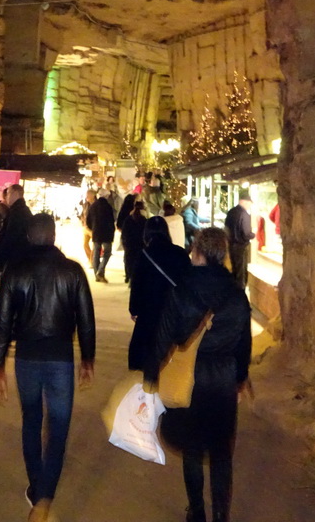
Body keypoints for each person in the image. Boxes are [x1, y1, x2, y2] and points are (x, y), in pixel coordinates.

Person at [0, 213, 96, 522]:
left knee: (32, 421)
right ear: (53, 237)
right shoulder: (73, 271)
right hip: (61, 360)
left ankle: (38, 490)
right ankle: (44, 498)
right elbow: (86, 322)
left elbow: (3, 324)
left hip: (26, 360)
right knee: (59, 427)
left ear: (28, 238)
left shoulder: (14, 272)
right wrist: (87, 360)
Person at [145, 228, 252, 522]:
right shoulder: (236, 294)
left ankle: (197, 511)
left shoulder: (182, 290)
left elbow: (164, 336)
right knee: (221, 451)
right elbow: (244, 343)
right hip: (222, 379)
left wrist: (151, 377)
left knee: (192, 449)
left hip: (188, 378)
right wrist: (240, 378)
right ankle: (221, 515)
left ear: (199, 252)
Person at [128, 215, 189, 371]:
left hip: (149, 312)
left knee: (142, 355)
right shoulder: (180, 254)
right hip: (174, 313)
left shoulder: (144, 255)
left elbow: (137, 284)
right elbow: (189, 284)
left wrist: (134, 309)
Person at [0, 183, 32, 273]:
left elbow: (10, 237)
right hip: (20, 259)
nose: (6, 197)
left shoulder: (16, 213)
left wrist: (0, 259)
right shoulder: (22, 210)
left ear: (15, 193)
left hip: (13, 260)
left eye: (8, 193)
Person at [224, 191, 254, 288]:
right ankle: (240, 293)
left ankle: (233, 290)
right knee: (241, 272)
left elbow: (226, 229)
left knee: (235, 269)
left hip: (232, 245)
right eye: (249, 203)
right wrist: (253, 235)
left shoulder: (231, 212)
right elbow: (246, 233)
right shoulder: (244, 215)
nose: (250, 205)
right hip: (241, 246)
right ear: (244, 201)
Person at [86, 187, 116, 283]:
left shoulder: (93, 206)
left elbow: (88, 221)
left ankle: (97, 274)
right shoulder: (108, 206)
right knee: (107, 252)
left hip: (96, 233)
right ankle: (100, 271)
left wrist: (93, 228)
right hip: (107, 233)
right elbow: (112, 220)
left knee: (96, 253)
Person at [118, 199, 147, 284]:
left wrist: (124, 242)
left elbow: (124, 232)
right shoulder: (143, 219)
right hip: (140, 244)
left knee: (128, 260)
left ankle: (128, 276)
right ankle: (136, 276)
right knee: (138, 261)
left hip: (129, 243)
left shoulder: (128, 219)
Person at [80, 188, 97, 263]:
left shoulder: (97, 205)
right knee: (84, 244)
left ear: (93, 196)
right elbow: (83, 214)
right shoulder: (85, 205)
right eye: (86, 195)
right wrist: (83, 222)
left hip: (94, 228)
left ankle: (92, 261)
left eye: (88, 195)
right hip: (86, 227)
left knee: (95, 245)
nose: (86, 197)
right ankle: (90, 259)